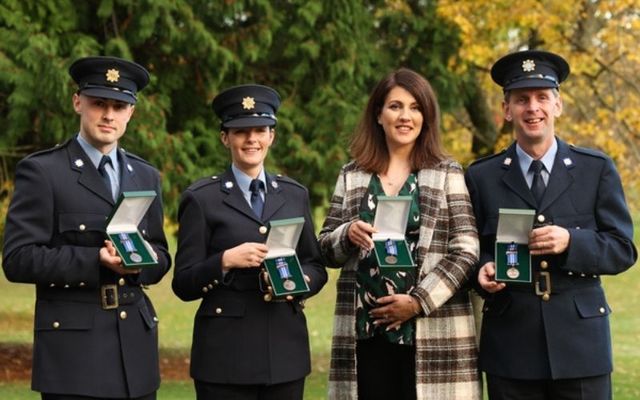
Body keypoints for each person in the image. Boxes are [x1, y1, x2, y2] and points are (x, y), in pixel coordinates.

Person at [465, 49, 638, 400]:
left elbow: (623, 249)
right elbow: (469, 248)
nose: (533, 108)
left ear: (557, 105)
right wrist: (481, 270)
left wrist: (571, 242)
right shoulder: (481, 177)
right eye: (522, 99)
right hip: (511, 346)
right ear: (506, 110)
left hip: (580, 346)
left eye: (542, 97)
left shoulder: (596, 169)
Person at [2, 56, 171, 399]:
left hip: (135, 352)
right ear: (78, 102)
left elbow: (162, 255)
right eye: (99, 104)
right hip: (74, 356)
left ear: (131, 112)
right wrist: (96, 260)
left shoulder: (146, 175)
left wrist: (146, 260)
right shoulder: (44, 171)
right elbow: (18, 259)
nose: (109, 115)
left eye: (119, 105)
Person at [318, 68, 481, 400]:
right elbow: (324, 248)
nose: (405, 116)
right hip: (365, 334)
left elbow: (466, 249)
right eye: (395, 106)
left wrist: (418, 302)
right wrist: (347, 234)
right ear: (379, 115)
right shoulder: (352, 174)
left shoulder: (447, 172)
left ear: (426, 116)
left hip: (431, 333)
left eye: (415, 107)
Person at [172, 84, 328, 400]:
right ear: (225, 138)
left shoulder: (294, 195)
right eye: (241, 131)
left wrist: (298, 282)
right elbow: (183, 283)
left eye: (260, 130)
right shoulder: (202, 199)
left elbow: (315, 265)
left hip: (285, 351)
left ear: (271, 135)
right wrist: (224, 261)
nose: (251, 139)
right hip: (225, 357)